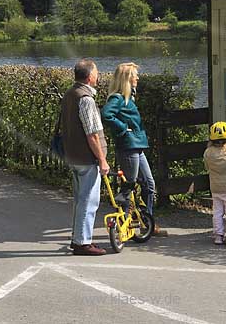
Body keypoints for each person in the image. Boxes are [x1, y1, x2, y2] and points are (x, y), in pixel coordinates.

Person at [101, 62, 167, 237]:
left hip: (136, 146)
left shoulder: (129, 97)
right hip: (129, 147)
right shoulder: (117, 98)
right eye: (134, 75)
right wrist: (122, 128)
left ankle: (147, 222)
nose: (137, 77)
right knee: (129, 186)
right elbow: (106, 115)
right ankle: (125, 222)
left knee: (149, 183)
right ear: (126, 78)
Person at [60, 58, 109, 256]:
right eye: (96, 72)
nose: (98, 75)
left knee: (80, 199)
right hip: (86, 157)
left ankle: (78, 237)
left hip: (72, 154)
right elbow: (92, 134)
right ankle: (83, 242)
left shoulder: (69, 94)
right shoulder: (86, 99)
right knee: (89, 200)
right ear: (90, 77)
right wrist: (103, 159)